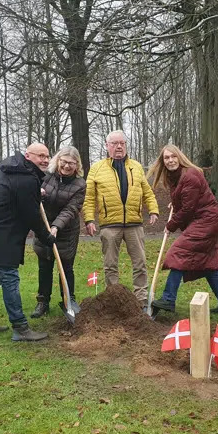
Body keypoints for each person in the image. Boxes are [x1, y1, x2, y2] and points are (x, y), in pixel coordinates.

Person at [0, 143, 56, 341]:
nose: (45, 160)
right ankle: (20, 327)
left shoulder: (10, 168)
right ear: (28, 156)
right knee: (10, 279)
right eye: (40, 156)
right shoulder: (26, 179)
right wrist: (47, 237)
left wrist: (33, 193)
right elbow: (31, 216)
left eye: (47, 156)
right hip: (1, 235)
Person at [146, 144, 218, 316]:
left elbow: (187, 209)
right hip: (203, 219)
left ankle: (168, 299)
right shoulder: (176, 176)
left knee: (178, 252)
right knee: (208, 265)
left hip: (205, 221)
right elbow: (187, 199)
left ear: (180, 157)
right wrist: (176, 202)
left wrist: (170, 225)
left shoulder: (190, 175)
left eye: (173, 157)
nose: (170, 160)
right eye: (166, 158)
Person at [83, 130, 159, 307]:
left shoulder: (136, 167)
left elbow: (147, 192)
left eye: (122, 143)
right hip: (110, 225)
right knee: (110, 265)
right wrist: (89, 220)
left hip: (134, 224)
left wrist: (153, 210)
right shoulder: (97, 168)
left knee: (140, 263)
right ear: (107, 146)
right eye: (114, 143)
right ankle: (114, 301)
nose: (119, 146)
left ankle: (141, 301)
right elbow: (89, 198)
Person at [31, 146, 86, 318]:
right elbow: (31, 194)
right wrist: (38, 194)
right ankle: (43, 302)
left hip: (66, 231)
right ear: (58, 160)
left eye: (71, 163)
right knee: (44, 266)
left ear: (77, 165)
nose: (67, 166)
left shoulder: (80, 184)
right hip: (44, 227)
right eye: (64, 161)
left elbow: (71, 209)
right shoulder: (45, 176)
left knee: (66, 267)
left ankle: (68, 300)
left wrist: (56, 227)